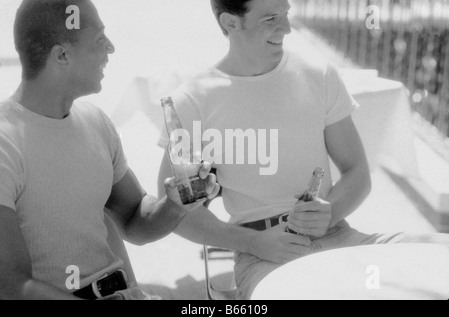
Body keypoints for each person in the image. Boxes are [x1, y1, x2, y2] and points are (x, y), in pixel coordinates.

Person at [158, 0, 449, 300]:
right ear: (231, 23)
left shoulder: (318, 74)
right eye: (271, 18)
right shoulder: (192, 101)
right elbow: (174, 214)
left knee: (440, 255)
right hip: (262, 256)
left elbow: (357, 172)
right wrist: (253, 244)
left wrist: (331, 212)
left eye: (286, 14)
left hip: (339, 235)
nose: (286, 28)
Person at [0, 0, 220, 300]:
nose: (111, 49)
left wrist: (175, 205)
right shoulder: (4, 143)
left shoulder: (95, 121)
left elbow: (134, 220)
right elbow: (12, 288)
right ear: (62, 54)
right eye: (100, 39)